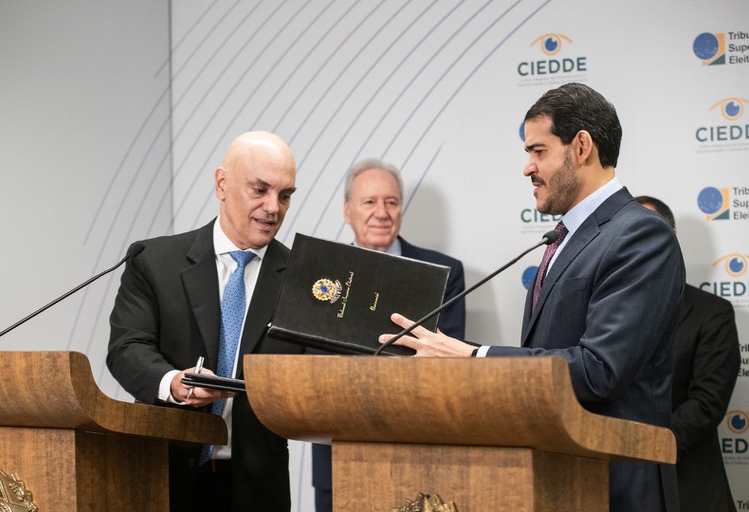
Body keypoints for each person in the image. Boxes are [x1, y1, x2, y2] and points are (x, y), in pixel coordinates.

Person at [380, 83, 685, 512]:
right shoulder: (563, 237)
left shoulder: (639, 234)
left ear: (581, 147)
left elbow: (600, 371)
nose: (527, 168)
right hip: (554, 479)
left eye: (538, 151)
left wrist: (474, 357)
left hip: (614, 487)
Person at [106, 131, 303, 512]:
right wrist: (173, 383)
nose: (273, 207)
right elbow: (127, 348)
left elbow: (324, 373)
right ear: (222, 183)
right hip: (164, 480)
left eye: (285, 195)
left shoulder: (303, 279)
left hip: (257, 490)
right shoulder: (154, 261)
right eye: (260, 189)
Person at [311, 158, 467, 512]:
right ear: (347, 211)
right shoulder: (319, 271)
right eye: (369, 202)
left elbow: (450, 364)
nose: (381, 212)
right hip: (339, 453)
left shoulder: (444, 272)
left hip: (418, 451)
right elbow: (310, 364)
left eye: (391, 202)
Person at [635, 195, 740, 512]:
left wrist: (645, 447)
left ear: (671, 237)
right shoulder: (598, 313)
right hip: (613, 485)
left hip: (687, 487)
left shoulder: (712, 313)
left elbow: (707, 403)